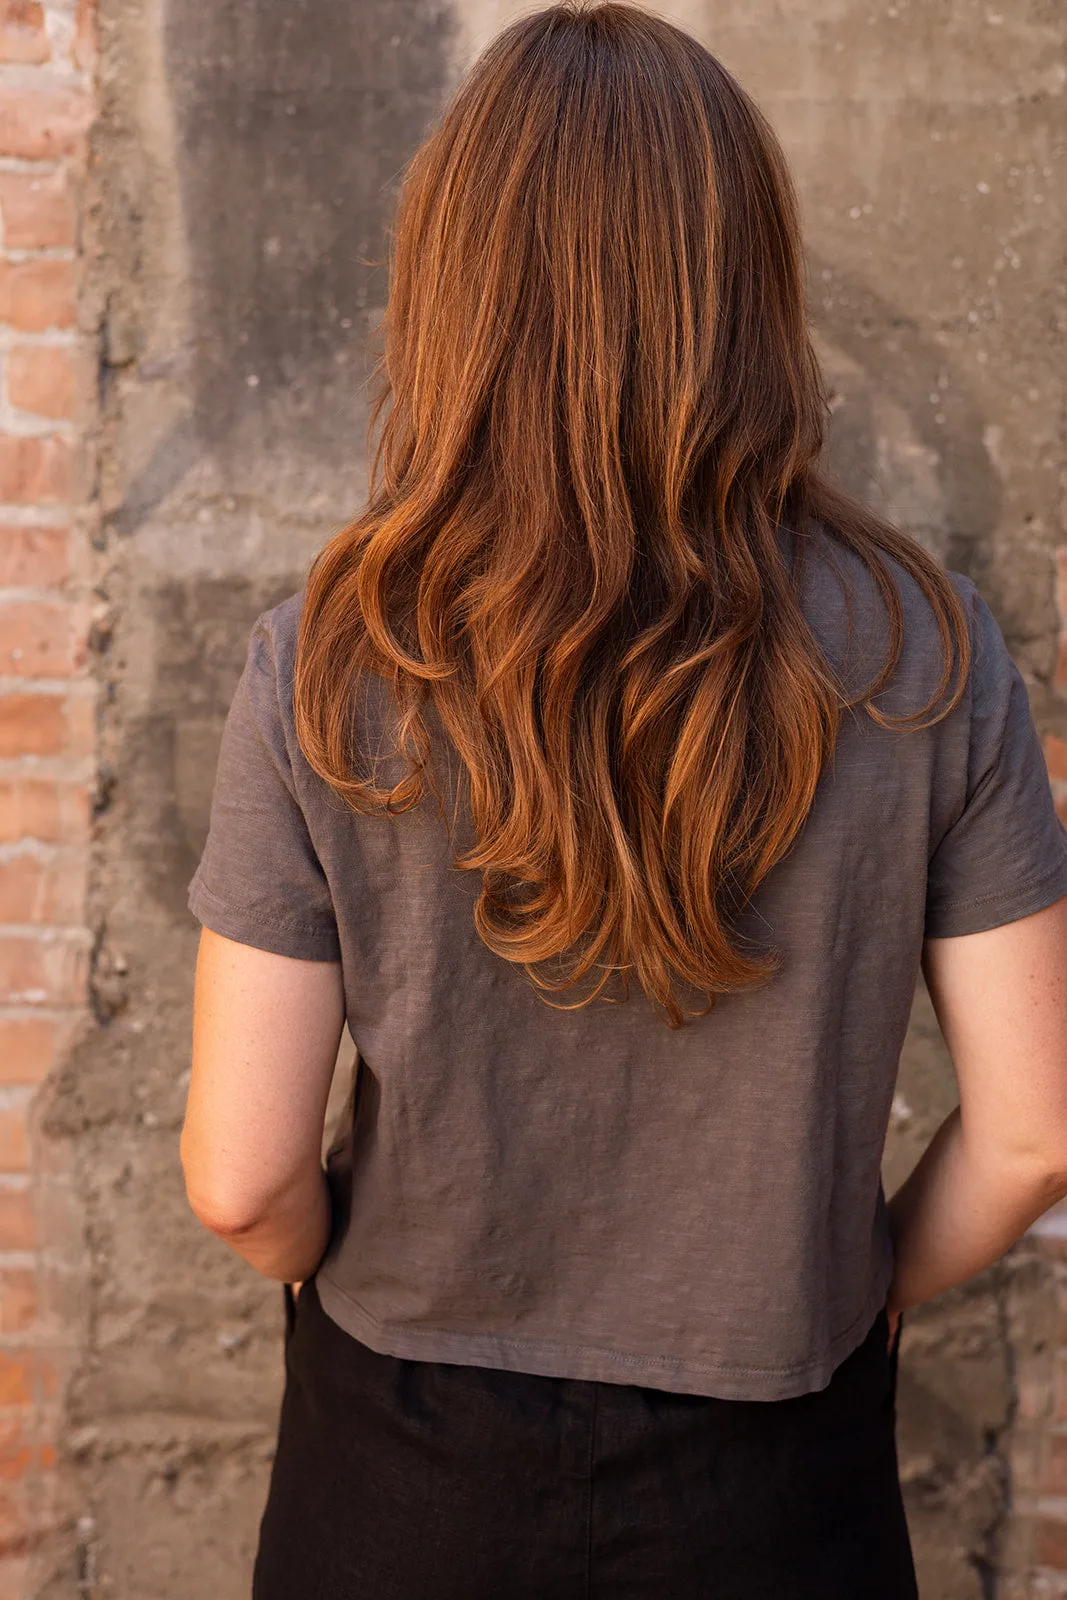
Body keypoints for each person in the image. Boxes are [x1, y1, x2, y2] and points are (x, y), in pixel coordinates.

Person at [179, 4, 1067, 1596]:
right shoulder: (927, 656)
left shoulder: (327, 661)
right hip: (777, 1479)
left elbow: (241, 1177)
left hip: (405, 1469)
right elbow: (1031, 1132)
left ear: (454, 287)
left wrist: (351, 1268)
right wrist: (858, 1285)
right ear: (748, 282)